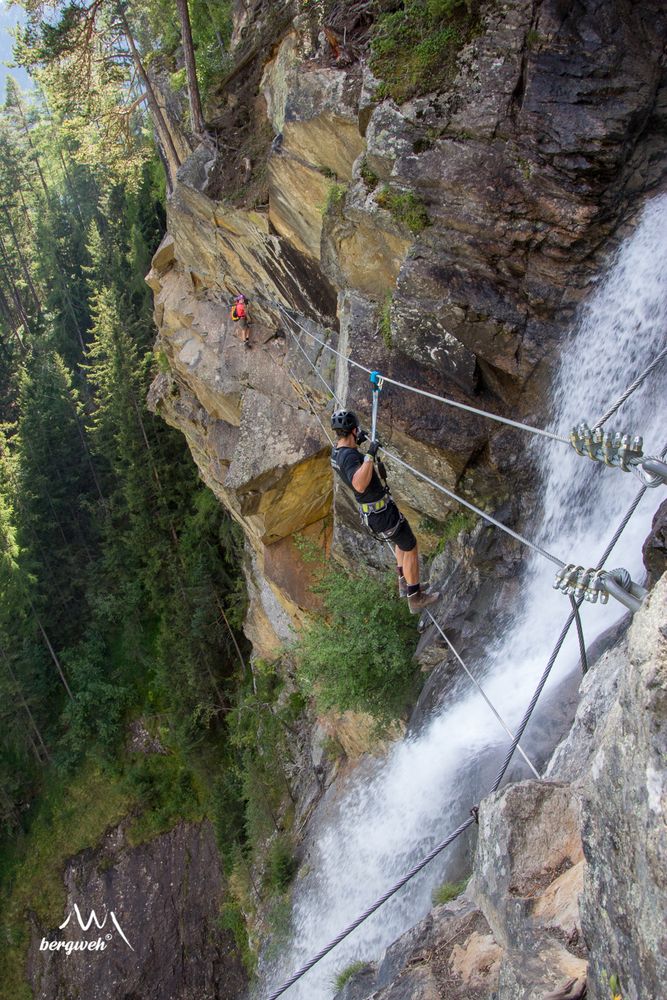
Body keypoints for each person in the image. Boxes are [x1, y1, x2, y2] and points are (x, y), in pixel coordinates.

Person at [330, 409, 439, 614]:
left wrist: (360, 444)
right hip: (381, 513)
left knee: (400, 541)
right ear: (353, 430)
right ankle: (415, 597)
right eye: (357, 431)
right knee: (411, 546)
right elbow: (359, 483)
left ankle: (404, 582)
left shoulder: (336, 452)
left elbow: (349, 461)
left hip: (375, 514)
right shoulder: (349, 457)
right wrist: (370, 454)